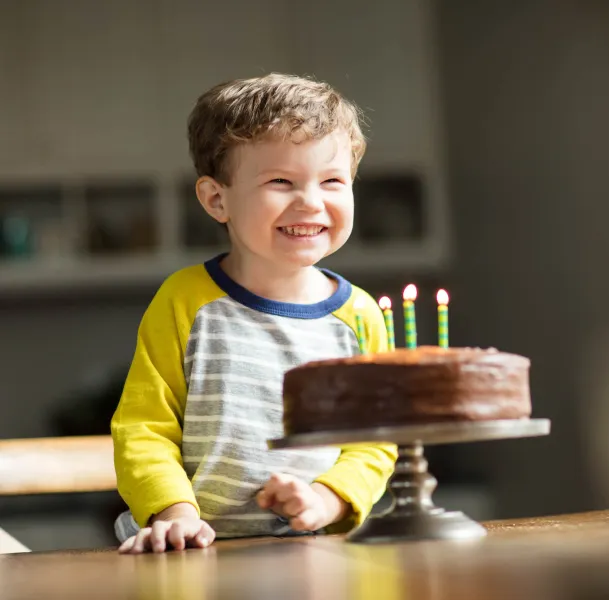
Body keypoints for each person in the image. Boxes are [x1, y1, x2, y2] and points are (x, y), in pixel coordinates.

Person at [110, 73, 397, 554]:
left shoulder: (360, 315)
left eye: (332, 181)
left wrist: (325, 501)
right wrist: (176, 515)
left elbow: (375, 443)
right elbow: (144, 430)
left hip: (318, 555)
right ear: (216, 199)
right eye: (280, 181)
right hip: (194, 554)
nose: (310, 201)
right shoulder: (184, 301)